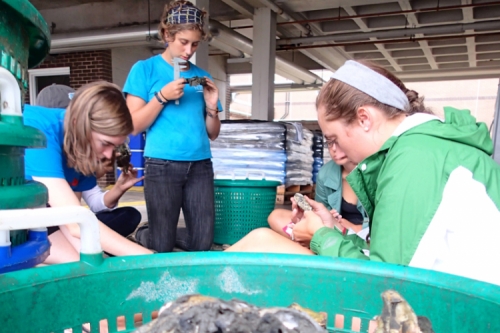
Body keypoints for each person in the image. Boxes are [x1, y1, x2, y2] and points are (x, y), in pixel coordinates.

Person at [229, 60, 500, 286]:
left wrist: (322, 236)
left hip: (456, 312)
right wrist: (332, 228)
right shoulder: (424, 150)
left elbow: (387, 283)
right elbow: (392, 257)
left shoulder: (416, 158)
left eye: (334, 138)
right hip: (445, 295)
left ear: (364, 119)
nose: (335, 150)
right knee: (261, 239)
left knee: (261, 249)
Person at [123, 0, 222, 253]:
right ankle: (151, 234)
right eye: (183, 42)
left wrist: (211, 105)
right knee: (162, 248)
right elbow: (133, 126)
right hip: (162, 164)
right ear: (167, 35)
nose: (189, 50)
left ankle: (156, 232)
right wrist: (161, 97)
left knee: (202, 244)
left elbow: (213, 133)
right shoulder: (144, 69)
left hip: (200, 165)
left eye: (195, 43)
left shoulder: (202, 76)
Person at [24, 81, 153, 263]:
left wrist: (96, 259)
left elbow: (70, 224)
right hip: (10, 217)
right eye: (105, 143)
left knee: (86, 263)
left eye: (114, 146)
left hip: (34, 214)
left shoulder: (83, 146)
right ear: (78, 124)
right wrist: (150, 258)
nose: (109, 154)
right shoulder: (39, 128)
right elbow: (76, 222)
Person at [268, 143, 367, 245]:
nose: (333, 148)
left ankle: (312, 244)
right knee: (276, 216)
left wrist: (350, 228)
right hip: (333, 229)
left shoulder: (377, 171)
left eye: (338, 141)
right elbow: (325, 215)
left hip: (366, 237)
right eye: (329, 141)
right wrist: (309, 216)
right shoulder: (326, 172)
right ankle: (313, 241)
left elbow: (382, 229)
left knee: (261, 236)